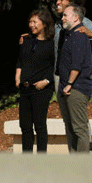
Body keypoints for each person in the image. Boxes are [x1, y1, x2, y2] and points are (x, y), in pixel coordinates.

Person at [15, 8, 55, 153]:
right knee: (25, 125)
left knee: (39, 125)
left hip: (42, 89)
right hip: (25, 88)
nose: (31, 24)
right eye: (30, 22)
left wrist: (47, 81)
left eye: (35, 22)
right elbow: (20, 60)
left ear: (44, 24)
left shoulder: (52, 44)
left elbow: (57, 66)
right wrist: (17, 76)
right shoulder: (25, 40)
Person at [57, 5, 92, 152]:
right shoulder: (69, 35)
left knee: (79, 129)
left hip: (76, 88)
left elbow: (77, 64)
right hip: (68, 87)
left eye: (65, 15)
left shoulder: (78, 36)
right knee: (71, 127)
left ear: (75, 17)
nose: (62, 18)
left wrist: (69, 84)